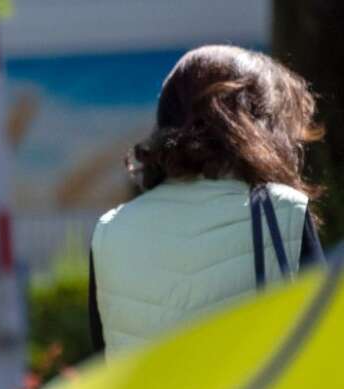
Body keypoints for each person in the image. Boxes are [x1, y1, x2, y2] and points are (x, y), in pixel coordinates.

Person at [90, 45, 326, 353]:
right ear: (262, 125)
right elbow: (326, 349)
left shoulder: (111, 230)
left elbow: (101, 363)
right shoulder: (282, 211)